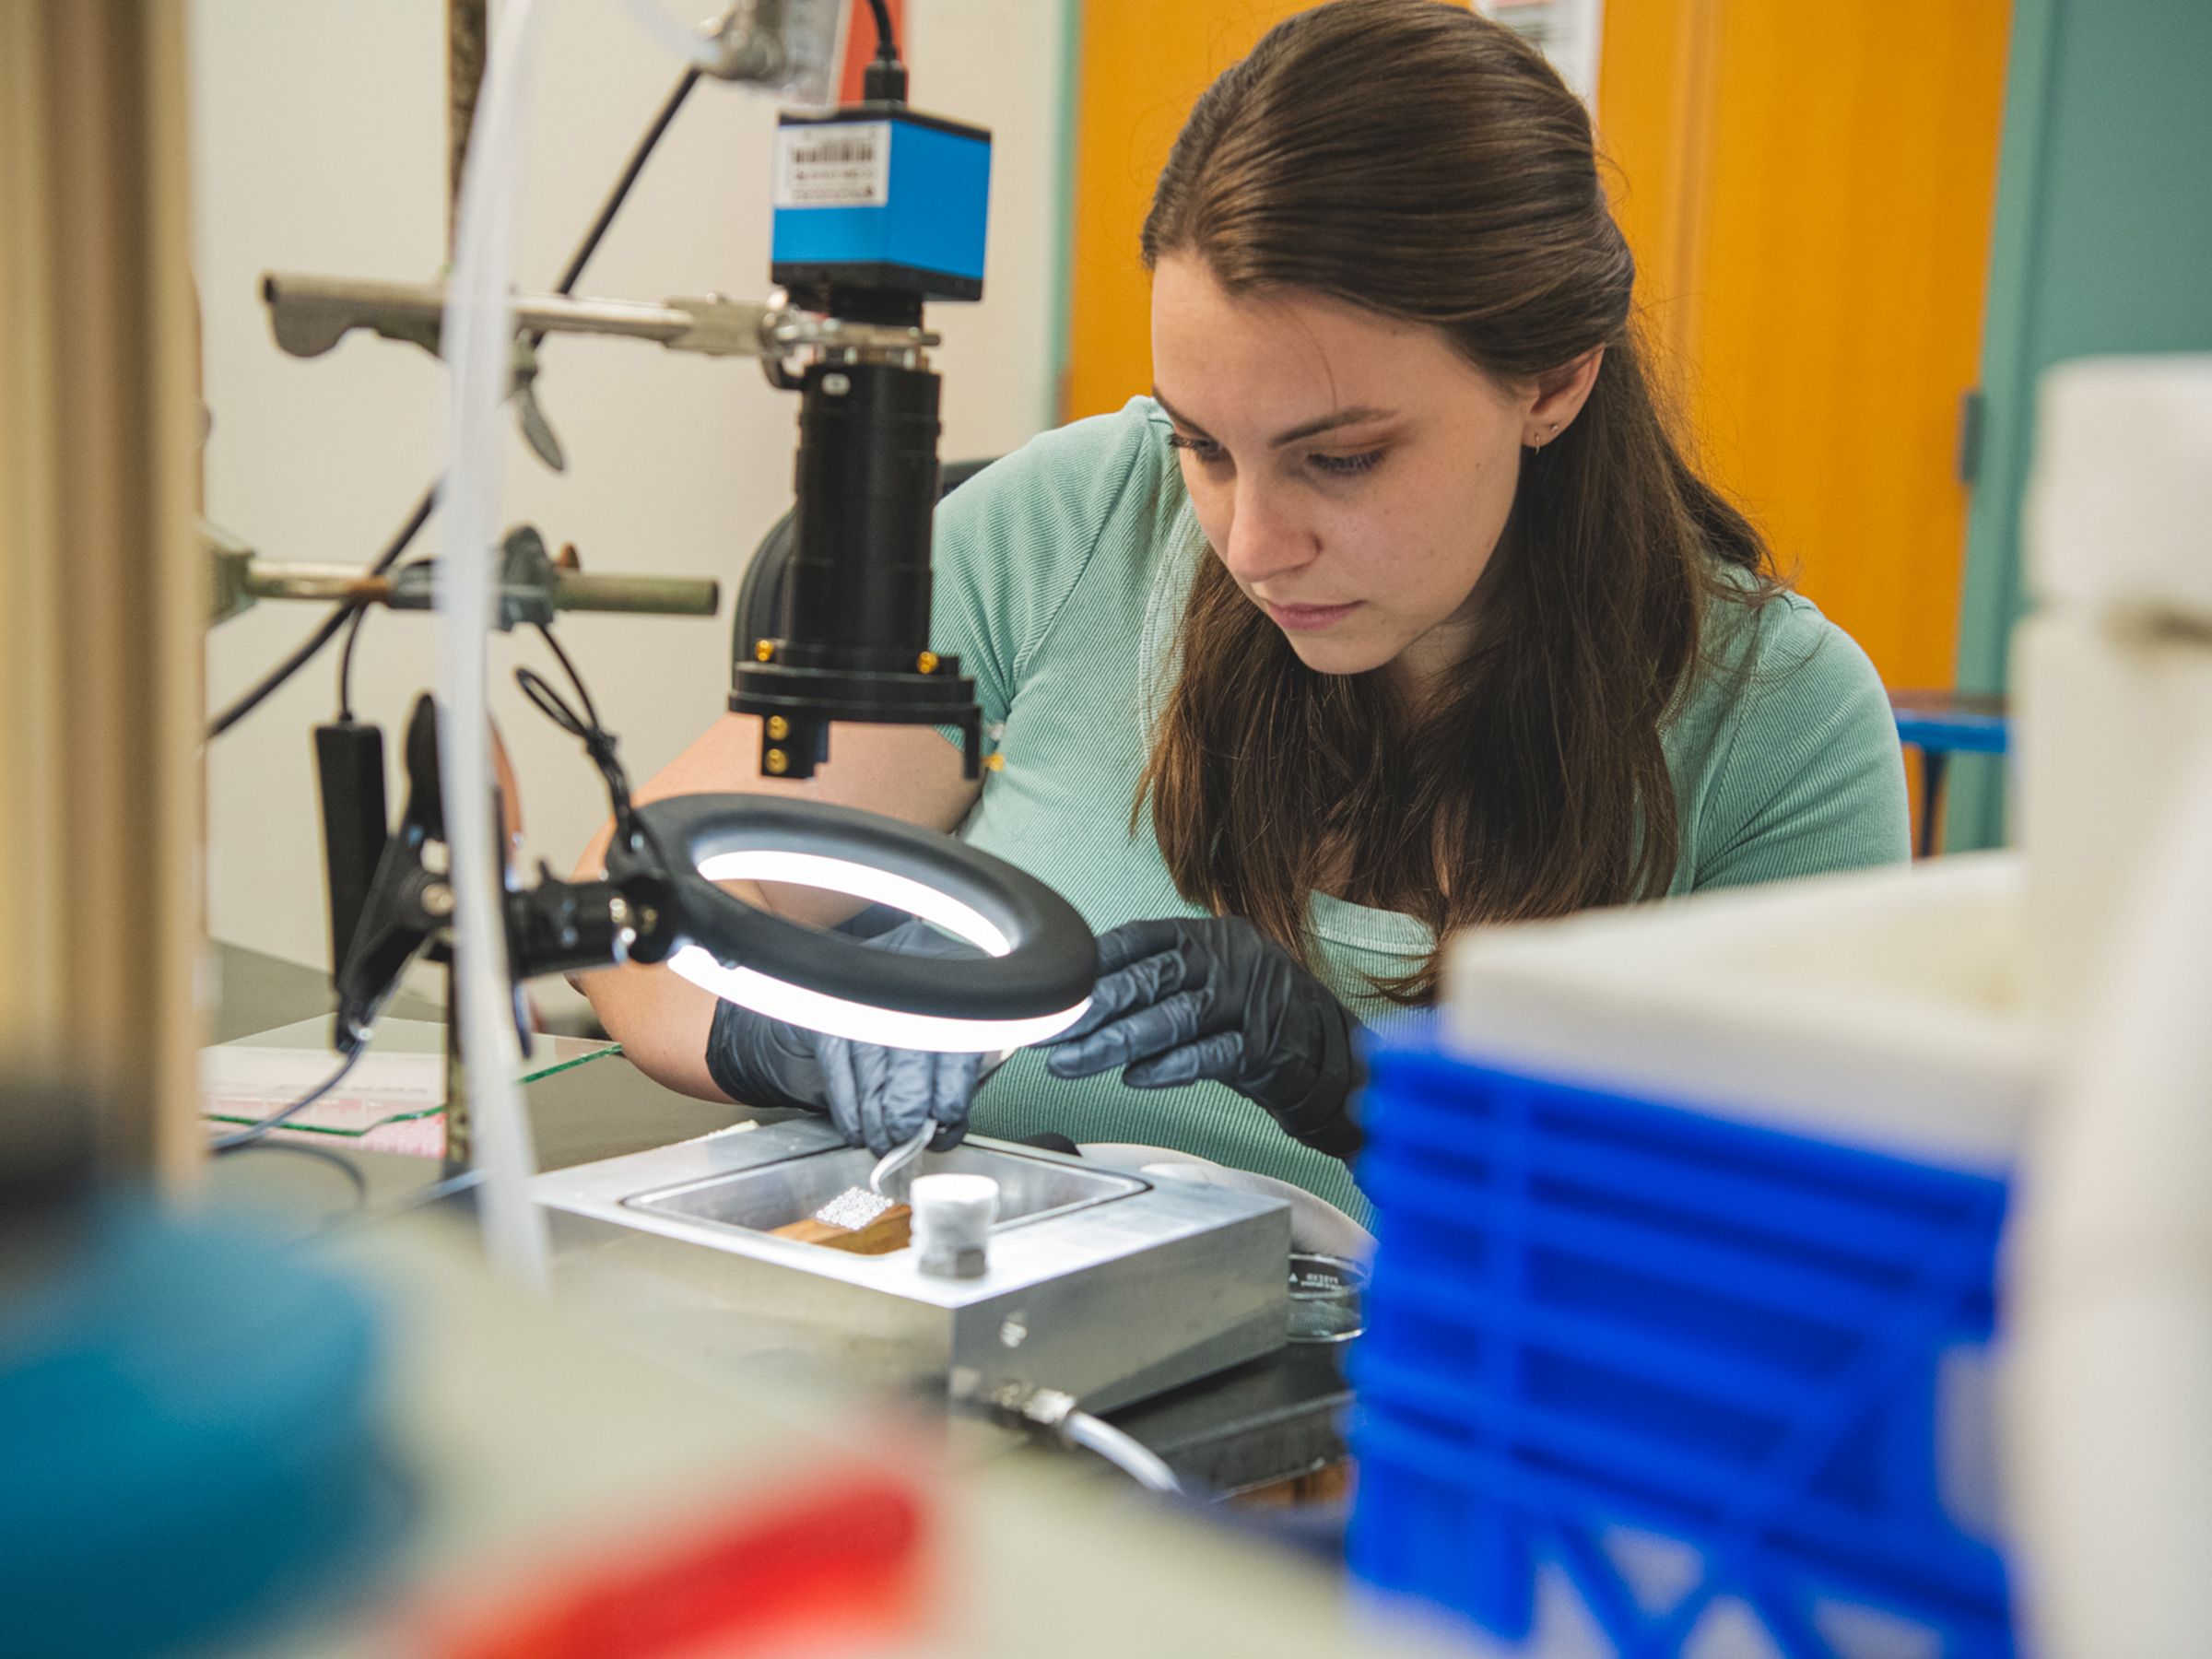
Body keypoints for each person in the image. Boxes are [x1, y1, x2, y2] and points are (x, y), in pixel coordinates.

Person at [579, 0, 1909, 1221]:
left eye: (1342, 457)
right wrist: (779, 1031)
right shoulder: (1077, 520)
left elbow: (1776, 1257)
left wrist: (1371, 1101)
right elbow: (626, 908)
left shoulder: (1775, 723)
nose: (1254, 546)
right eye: (1205, 443)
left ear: (1553, 383)